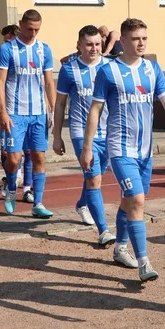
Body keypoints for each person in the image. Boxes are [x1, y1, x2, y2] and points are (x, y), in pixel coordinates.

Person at [82, 18, 165, 282]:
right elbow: (95, 110)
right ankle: (144, 261)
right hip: (120, 148)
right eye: (136, 38)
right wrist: (87, 146)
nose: (141, 43)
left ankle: (120, 247)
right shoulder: (108, 72)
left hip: (145, 151)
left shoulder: (152, 69)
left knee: (129, 201)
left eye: (144, 38)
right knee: (138, 200)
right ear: (123, 40)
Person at [52, 25, 117, 249]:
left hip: (109, 132)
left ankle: (82, 204)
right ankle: (104, 231)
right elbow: (60, 104)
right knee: (93, 178)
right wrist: (57, 136)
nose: (94, 48)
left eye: (98, 44)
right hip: (81, 133)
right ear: (79, 45)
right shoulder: (69, 70)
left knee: (96, 176)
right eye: (89, 44)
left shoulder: (110, 67)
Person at [0, 10, 55, 218]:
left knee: (39, 156)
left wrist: (53, 112)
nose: (33, 32)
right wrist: (2, 111)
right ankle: (11, 189)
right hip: (15, 113)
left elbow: (49, 82)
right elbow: (0, 82)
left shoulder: (44, 50)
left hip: (38, 113)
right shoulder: (7, 49)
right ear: (21, 24)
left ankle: (38, 203)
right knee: (13, 159)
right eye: (29, 28)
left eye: (37, 29)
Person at [0, 25, 34, 201]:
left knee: (30, 151)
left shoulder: (31, 53)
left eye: (7, 40)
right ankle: (10, 180)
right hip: (8, 112)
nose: (5, 45)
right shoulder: (4, 56)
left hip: (29, 111)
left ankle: (27, 189)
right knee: (8, 153)